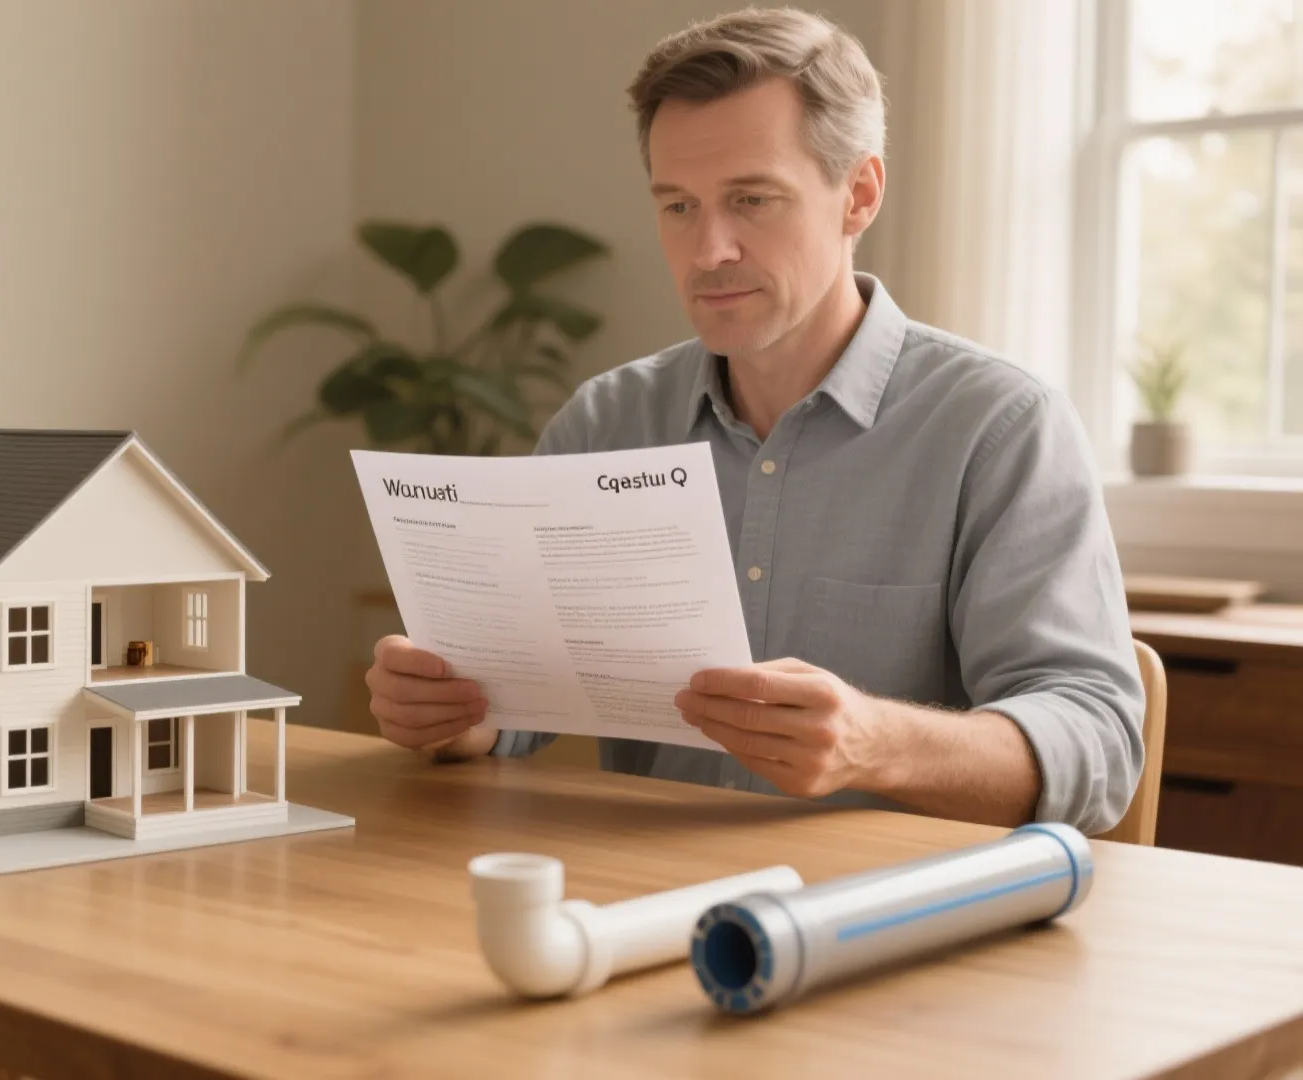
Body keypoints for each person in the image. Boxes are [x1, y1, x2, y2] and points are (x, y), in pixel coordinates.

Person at [363, 7, 1144, 834]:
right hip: (635, 909)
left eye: (752, 199)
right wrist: (456, 714)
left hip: (890, 921)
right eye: (678, 207)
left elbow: (1096, 747)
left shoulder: (1000, 429)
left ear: (860, 196)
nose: (708, 251)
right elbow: (514, 709)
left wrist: (877, 743)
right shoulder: (604, 422)